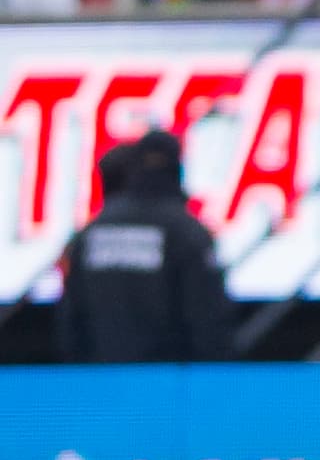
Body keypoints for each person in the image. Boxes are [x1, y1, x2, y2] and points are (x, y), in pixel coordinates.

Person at [57, 130, 236, 363]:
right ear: (178, 166)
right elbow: (207, 317)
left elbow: (70, 319)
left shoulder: (90, 233)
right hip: (172, 384)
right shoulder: (187, 231)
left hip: (100, 383)